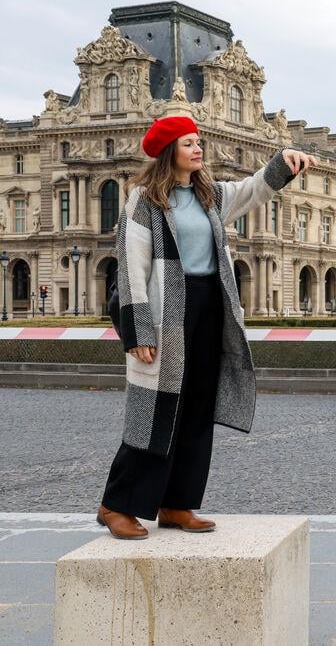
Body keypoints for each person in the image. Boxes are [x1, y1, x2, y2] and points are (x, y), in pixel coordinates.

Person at [97, 116, 317, 539]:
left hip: (209, 305)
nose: (198, 149)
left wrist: (282, 163)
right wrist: (138, 330)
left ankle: (176, 503)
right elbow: (131, 267)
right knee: (156, 409)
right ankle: (115, 504)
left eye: (199, 142)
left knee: (197, 408)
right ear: (169, 153)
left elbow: (253, 189)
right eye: (189, 144)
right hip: (167, 311)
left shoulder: (209, 195)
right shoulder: (143, 200)